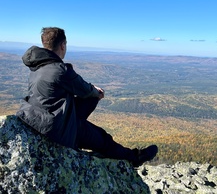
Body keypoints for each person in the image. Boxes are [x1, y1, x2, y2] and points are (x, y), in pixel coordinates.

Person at [16, 27, 158, 167]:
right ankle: (135, 158)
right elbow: (84, 89)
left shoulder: (37, 66)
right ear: (63, 45)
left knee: (90, 101)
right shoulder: (59, 70)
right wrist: (97, 93)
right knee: (103, 138)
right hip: (58, 127)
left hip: (42, 117)